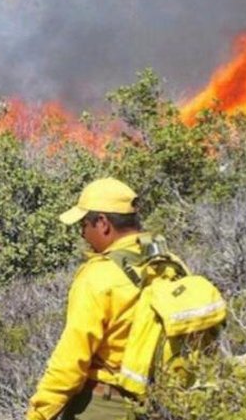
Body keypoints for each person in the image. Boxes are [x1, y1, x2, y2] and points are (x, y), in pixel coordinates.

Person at [26, 177, 168, 420]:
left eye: (84, 224)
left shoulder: (98, 276)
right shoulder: (166, 263)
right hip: (162, 402)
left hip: (105, 406)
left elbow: (70, 364)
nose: (82, 233)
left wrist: (38, 415)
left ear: (103, 223)